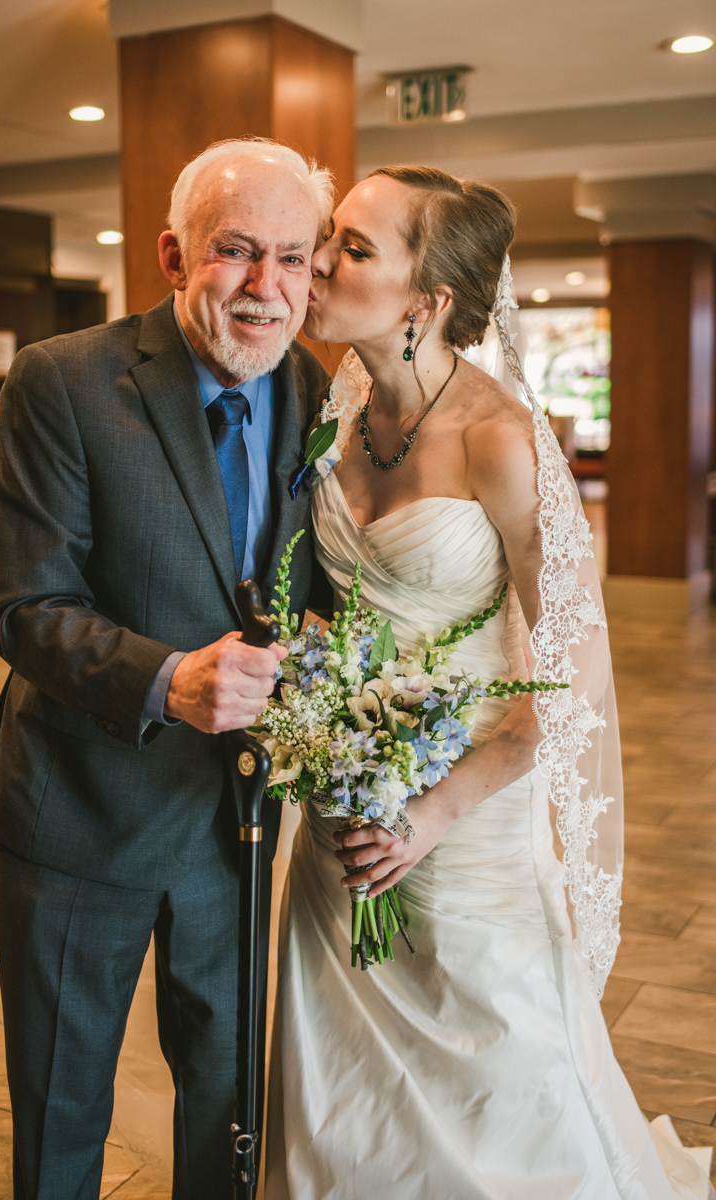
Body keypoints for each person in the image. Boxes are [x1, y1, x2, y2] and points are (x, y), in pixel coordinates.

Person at [265, 167, 714, 1199]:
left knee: (491, 1060)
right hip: (344, 797)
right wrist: (323, 721)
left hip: (467, 816)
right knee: (340, 1066)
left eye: (355, 248)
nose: (319, 261)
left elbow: (567, 687)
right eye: (330, 235)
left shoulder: (498, 440)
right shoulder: (326, 415)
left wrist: (428, 813)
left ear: (427, 302)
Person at [0, 138, 333, 1200]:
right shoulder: (65, 379)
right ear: (175, 254)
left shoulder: (323, 393)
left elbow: (319, 583)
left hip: (239, 827)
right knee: (60, 1113)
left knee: (229, 1115)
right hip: (81, 809)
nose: (266, 288)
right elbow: (22, 605)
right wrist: (168, 678)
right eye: (236, 251)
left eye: (293, 258)